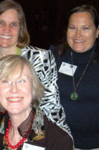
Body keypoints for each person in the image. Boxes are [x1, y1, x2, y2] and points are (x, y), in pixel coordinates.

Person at [0, 0, 70, 134]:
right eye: (1, 23)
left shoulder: (40, 58)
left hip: (35, 134)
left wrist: (59, 141)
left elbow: (51, 106)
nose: (7, 29)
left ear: (21, 29)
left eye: (14, 24)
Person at [0, 55, 73, 150]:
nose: (14, 89)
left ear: (33, 87)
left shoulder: (59, 141)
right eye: (6, 82)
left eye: (22, 81)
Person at [49, 4, 99, 149]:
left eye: (85, 28)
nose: (78, 35)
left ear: (97, 31)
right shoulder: (53, 57)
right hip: (58, 142)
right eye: (72, 28)